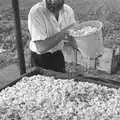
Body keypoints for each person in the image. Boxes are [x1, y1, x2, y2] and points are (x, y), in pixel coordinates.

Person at [28, 0, 76, 73]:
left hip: (58, 55)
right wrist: (65, 31)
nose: (53, 2)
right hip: (40, 59)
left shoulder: (68, 11)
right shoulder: (36, 12)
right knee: (42, 83)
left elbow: (72, 37)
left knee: (61, 82)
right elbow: (41, 47)